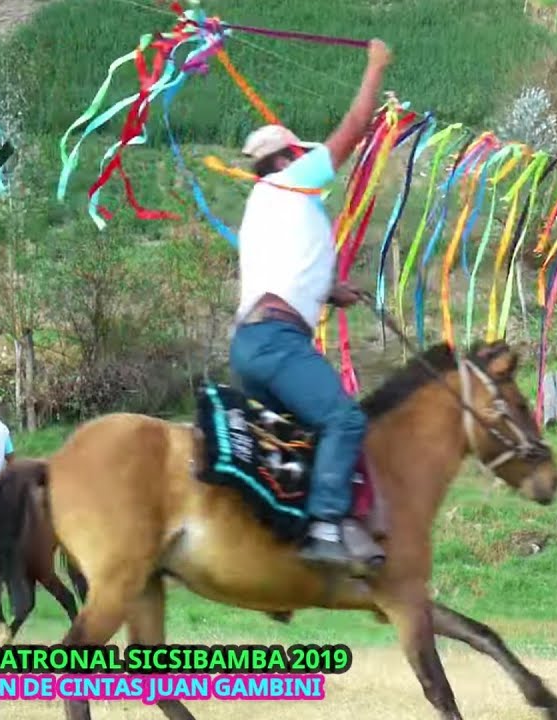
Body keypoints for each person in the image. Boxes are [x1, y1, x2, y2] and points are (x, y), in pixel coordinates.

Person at [228, 39, 392, 574]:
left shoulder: (263, 206)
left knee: (305, 437)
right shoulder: (293, 181)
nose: (306, 158)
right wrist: (375, 66)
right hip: (278, 342)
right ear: (285, 159)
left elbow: (286, 274)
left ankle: (284, 535)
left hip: (251, 344)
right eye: (299, 153)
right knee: (344, 419)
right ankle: (324, 528)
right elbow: (355, 126)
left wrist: (330, 290)